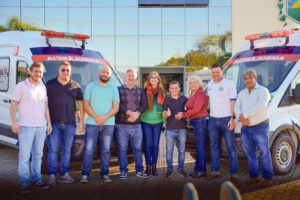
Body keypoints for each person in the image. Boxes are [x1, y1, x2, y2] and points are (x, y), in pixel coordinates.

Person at [10, 62, 52, 193]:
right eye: (35, 71)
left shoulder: (42, 87)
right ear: (30, 71)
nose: (38, 74)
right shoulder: (20, 86)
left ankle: (37, 179)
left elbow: (45, 106)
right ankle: (23, 182)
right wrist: (14, 123)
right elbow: (13, 106)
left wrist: (49, 123)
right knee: (24, 155)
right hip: (26, 126)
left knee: (38, 155)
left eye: (40, 72)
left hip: (40, 126)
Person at [46, 61, 84, 186]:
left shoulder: (76, 86)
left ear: (70, 71)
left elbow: (80, 105)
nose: (65, 72)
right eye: (63, 70)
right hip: (54, 123)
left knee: (67, 151)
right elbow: (44, 103)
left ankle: (64, 174)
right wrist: (46, 122)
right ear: (59, 70)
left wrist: (81, 121)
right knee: (53, 150)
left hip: (70, 124)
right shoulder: (50, 84)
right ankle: (52, 175)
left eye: (68, 70)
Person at [234, 69, 274, 188]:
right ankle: (254, 176)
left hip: (260, 127)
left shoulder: (263, 91)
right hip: (246, 128)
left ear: (256, 79)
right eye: (246, 78)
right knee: (250, 154)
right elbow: (237, 106)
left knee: (264, 153)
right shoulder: (242, 93)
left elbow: (260, 106)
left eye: (250, 78)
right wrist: (241, 118)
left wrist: (244, 116)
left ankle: (268, 178)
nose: (248, 80)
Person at [81, 66, 119, 183]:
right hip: (92, 123)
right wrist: (96, 117)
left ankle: (105, 174)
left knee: (106, 150)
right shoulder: (91, 86)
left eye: (107, 73)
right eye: (103, 72)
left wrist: (104, 118)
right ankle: (85, 174)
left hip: (108, 124)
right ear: (99, 73)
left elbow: (116, 107)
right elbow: (85, 105)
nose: (105, 74)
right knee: (88, 149)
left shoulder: (113, 88)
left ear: (110, 75)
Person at [206, 63, 239, 184]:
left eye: (217, 72)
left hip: (226, 119)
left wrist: (232, 118)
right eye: (213, 72)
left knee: (230, 147)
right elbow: (209, 101)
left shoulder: (229, 84)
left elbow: (233, 101)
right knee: (214, 146)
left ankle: (234, 173)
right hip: (213, 119)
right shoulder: (209, 84)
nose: (215, 74)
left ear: (222, 72)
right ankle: (215, 171)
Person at [115, 69, 149, 180]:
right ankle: (123, 171)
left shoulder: (140, 90)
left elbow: (144, 104)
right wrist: (129, 113)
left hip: (137, 125)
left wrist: (137, 114)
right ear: (125, 77)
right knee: (122, 149)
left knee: (137, 149)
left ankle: (139, 171)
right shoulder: (118, 90)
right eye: (129, 75)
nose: (131, 77)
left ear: (136, 78)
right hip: (121, 124)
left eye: (133, 76)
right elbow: (117, 105)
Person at [175, 76, 208, 178]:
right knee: (198, 147)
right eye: (191, 83)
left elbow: (197, 109)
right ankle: (198, 170)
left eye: (195, 82)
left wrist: (183, 115)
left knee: (200, 147)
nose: (193, 84)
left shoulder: (200, 93)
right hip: (195, 121)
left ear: (200, 84)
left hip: (200, 121)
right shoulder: (192, 93)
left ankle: (201, 171)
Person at [140, 71, 166, 176]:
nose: (154, 79)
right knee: (148, 144)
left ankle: (154, 166)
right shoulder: (144, 91)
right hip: (145, 121)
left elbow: (165, 108)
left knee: (155, 145)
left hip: (158, 122)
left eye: (156, 78)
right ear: (149, 80)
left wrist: (165, 122)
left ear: (158, 79)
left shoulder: (162, 92)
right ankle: (148, 166)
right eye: (152, 77)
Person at [163, 81, 188, 177]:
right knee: (169, 150)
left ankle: (181, 169)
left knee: (181, 150)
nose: (174, 90)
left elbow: (189, 111)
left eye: (176, 88)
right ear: (169, 89)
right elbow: (164, 114)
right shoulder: (167, 100)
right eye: (172, 88)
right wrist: (166, 114)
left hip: (182, 129)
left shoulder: (185, 99)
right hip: (170, 130)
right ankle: (170, 169)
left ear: (179, 89)